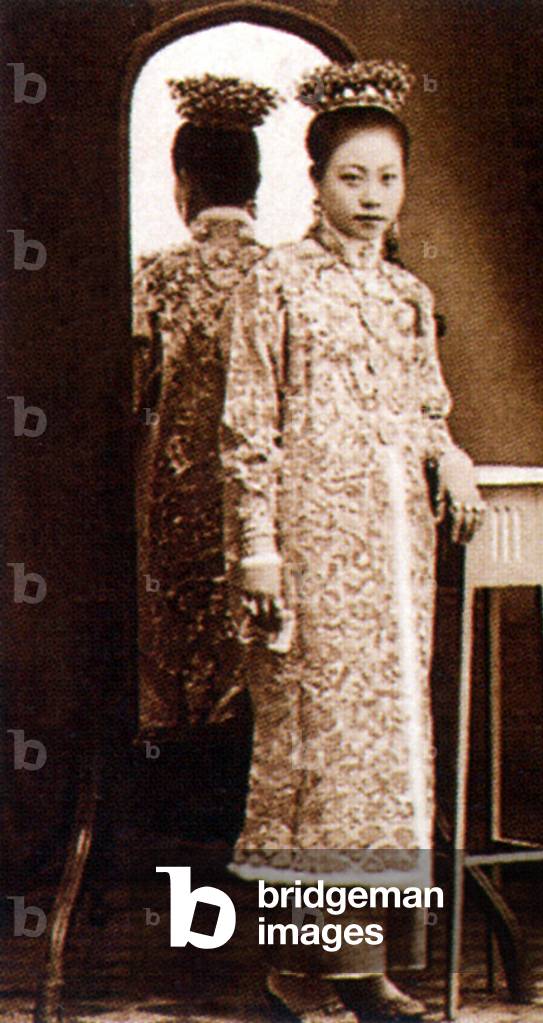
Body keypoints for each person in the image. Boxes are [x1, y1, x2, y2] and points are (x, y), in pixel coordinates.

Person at [219, 61, 485, 1021]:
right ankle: (337, 969)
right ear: (315, 181)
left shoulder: (407, 298)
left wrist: (448, 453)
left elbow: (424, 409)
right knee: (319, 758)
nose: (372, 199)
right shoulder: (273, 284)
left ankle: (329, 968)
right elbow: (249, 428)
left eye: (388, 180)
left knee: (384, 755)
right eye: (351, 178)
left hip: (396, 554)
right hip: (309, 552)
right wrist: (259, 549)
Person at [132, 74, 279, 737]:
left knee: (176, 608)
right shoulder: (281, 271)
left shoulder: (159, 274)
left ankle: (176, 758)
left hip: (178, 479)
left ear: (182, 182)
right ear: (255, 181)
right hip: (264, 482)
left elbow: (137, 381)